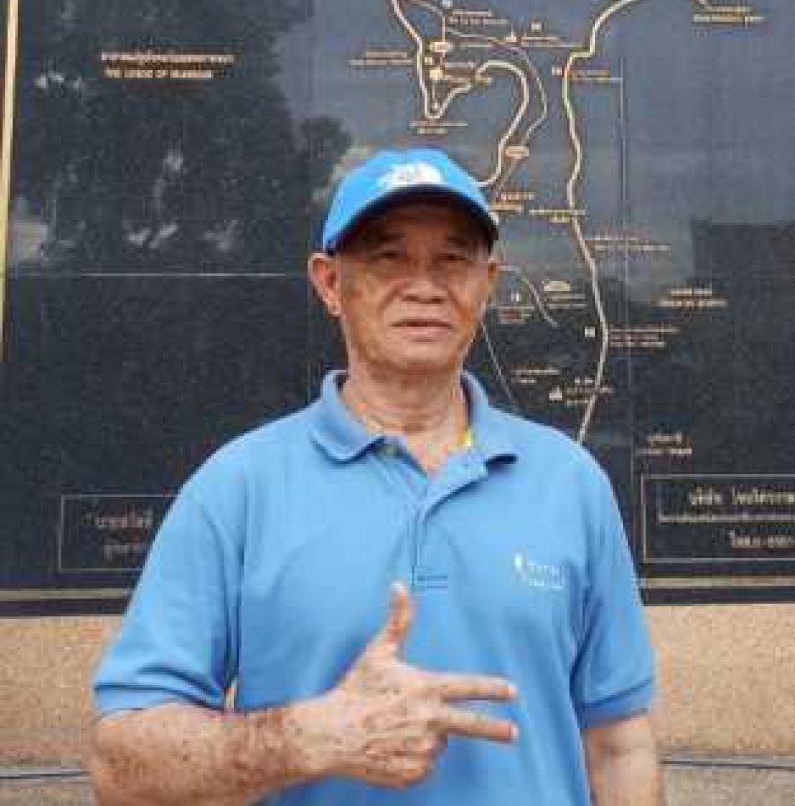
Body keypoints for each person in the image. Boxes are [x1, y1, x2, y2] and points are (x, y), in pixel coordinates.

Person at [89, 148, 664, 806]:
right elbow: (121, 767)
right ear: (330, 282)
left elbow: (618, 744)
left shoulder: (571, 483)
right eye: (389, 257)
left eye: (453, 259)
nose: (425, 286)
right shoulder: (237, 489)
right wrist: (311, 737)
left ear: (488, 283)